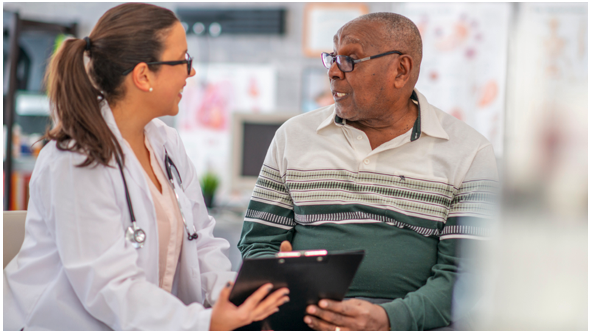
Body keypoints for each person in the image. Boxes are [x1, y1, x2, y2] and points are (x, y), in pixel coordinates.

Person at [3, 3, 289, 331]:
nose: (190, 72)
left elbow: (203, 242)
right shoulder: (74, 159)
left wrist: (236, 298)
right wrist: (204, 323)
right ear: (142, 75)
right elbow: (109, 287)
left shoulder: (167, 143)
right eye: (183, 60)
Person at [238, 12, 498, 331]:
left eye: (350, 59)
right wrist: (284, 286)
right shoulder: (294, 136)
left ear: (401, 70)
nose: (333, 72)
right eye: (332, 58)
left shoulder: (470, 152)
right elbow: (258, 244)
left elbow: (466, 276)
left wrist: (388, 320)